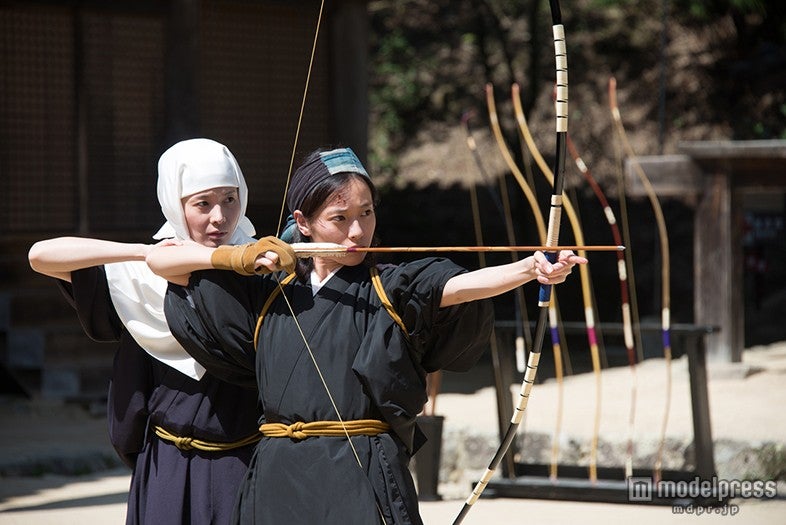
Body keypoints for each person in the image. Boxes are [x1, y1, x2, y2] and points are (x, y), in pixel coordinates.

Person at [147, 147, 586, 524]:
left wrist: (530, 268)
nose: (357, 232)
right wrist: (237, 256)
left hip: (360, 472)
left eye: (366, 213)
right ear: (303, 222)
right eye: (339, 218)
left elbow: (453, 286)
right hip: (279, 475)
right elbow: (164, 261)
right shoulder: (268, 291)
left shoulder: (388, 286)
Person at [28, 138, 262, 524]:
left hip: (245, 463)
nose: (220, 217)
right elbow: (40, 255)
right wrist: (143, 253)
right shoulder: (144, 272)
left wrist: (237, 260)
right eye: (203, 203)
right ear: (175, 202)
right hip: (168, 463)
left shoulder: (258, 264)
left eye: (230, 199)